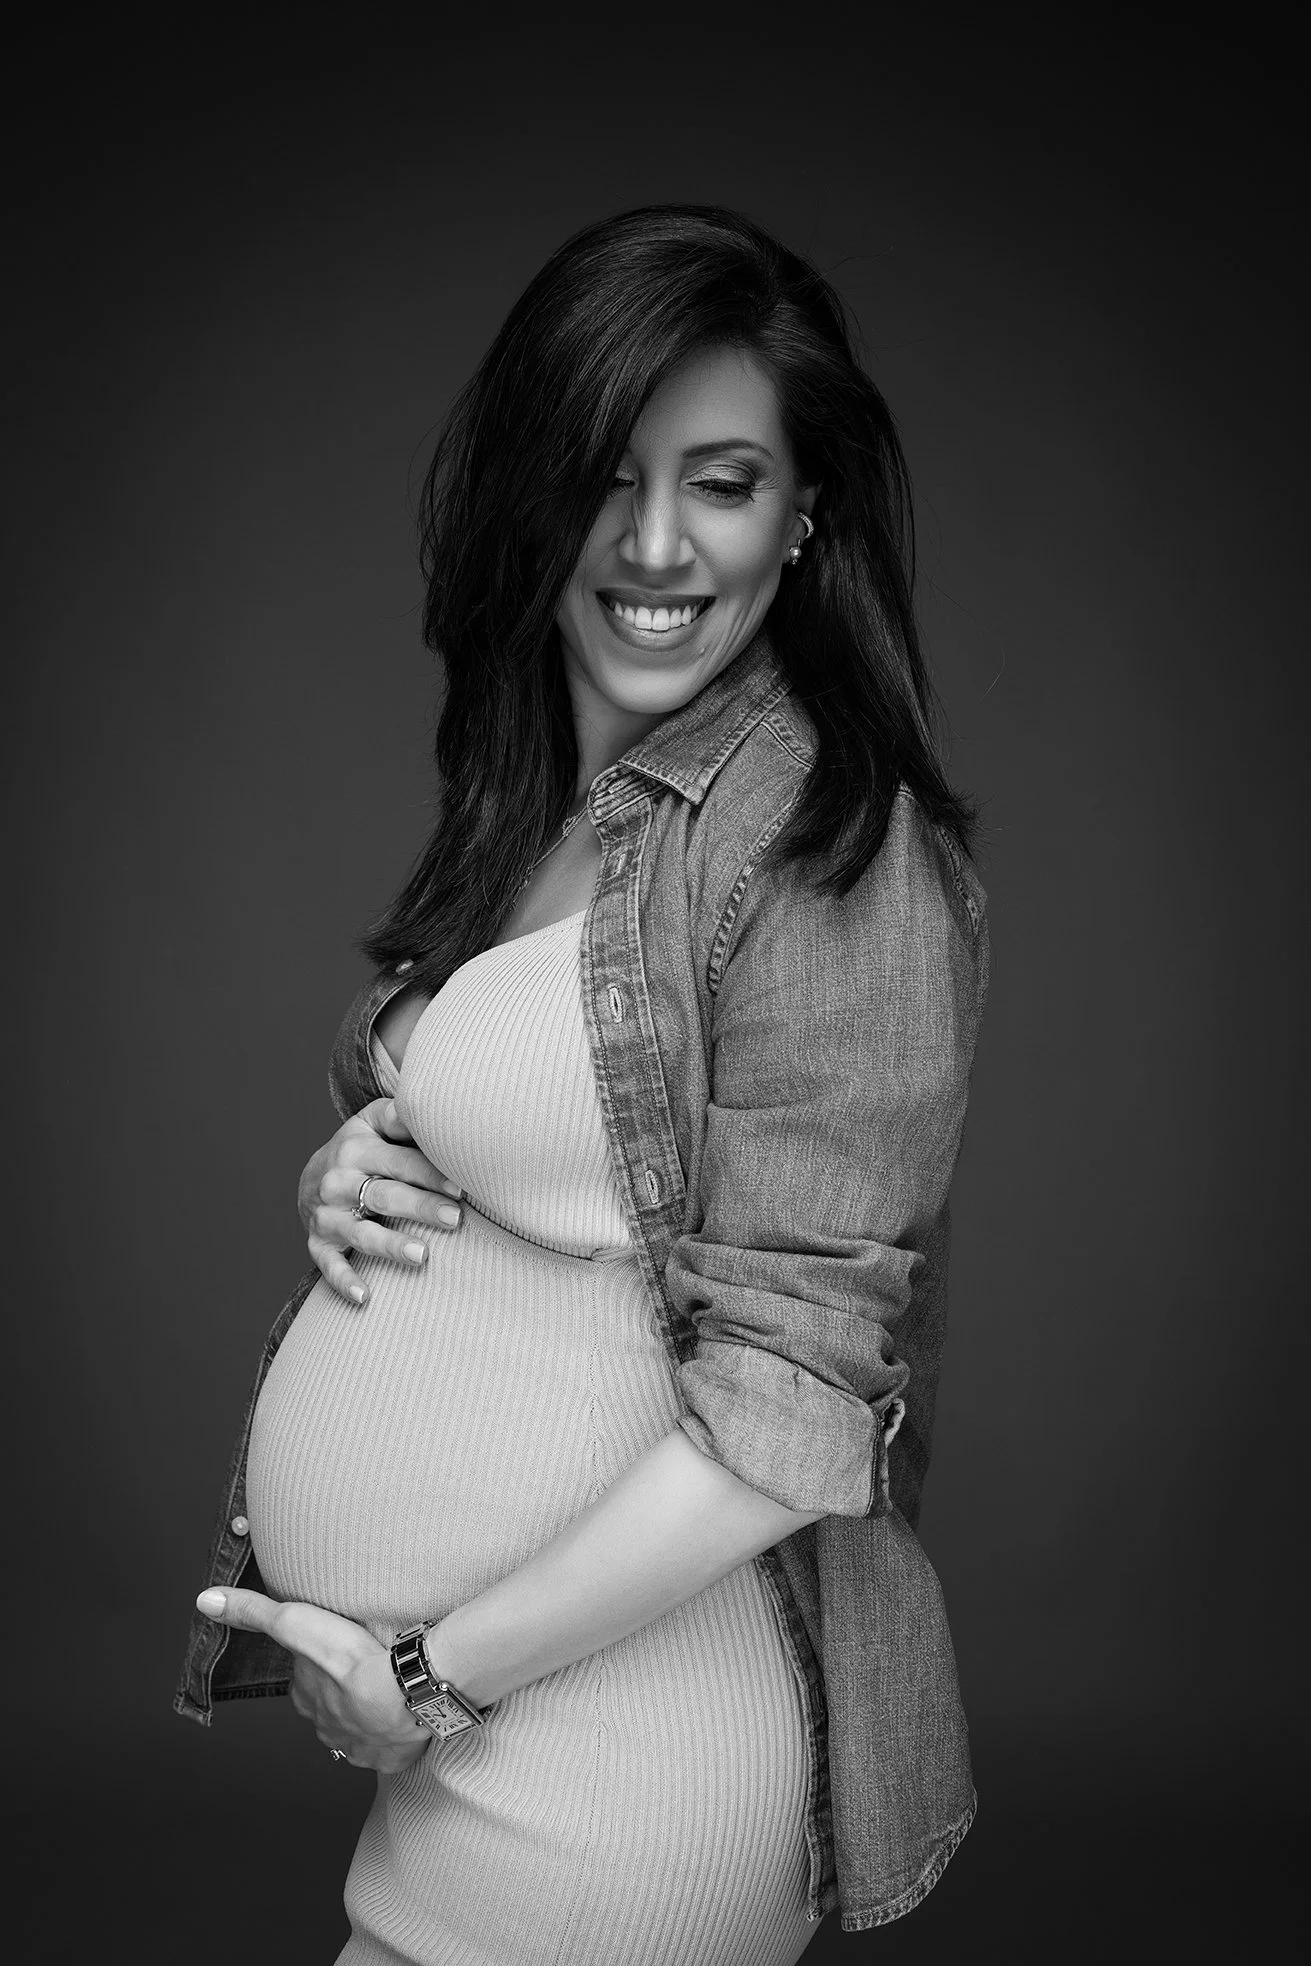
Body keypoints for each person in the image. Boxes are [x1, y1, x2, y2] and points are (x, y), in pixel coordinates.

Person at [176, 203, 989, 1965]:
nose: (651, 543)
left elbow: (792, 1410)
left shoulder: (833, 844)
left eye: (721, 481)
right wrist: (358, 1150)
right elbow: (544, 1106)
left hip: (630, 1748)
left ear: (805, 514)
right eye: (607, 476)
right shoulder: (565, 795)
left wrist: (421, 1673)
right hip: (486, 1728)